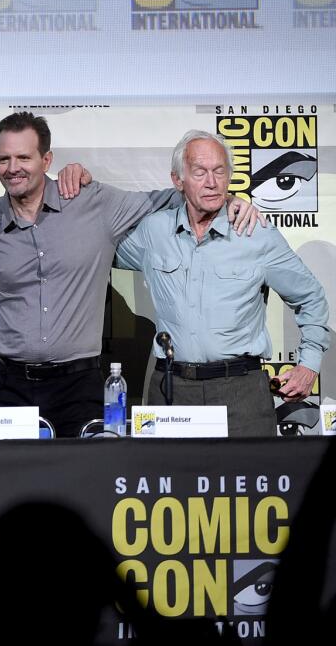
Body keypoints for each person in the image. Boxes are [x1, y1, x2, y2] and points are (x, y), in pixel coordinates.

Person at [0, 111, 260, 438]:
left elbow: (168, 199)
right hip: (6, 385)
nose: (13, 168)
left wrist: (231, 200)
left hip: (78, 387)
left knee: (85, 482)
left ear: (46, 159)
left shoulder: (93, 202)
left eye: (23, 157)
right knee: (5, 481)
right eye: (3, 159)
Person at [114, 130, 329, 436]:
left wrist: (308, 366)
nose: (212, 182)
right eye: (199, 172)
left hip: (241, 393)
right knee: (169, 483)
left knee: (252, 483)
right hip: (171, 390)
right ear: (178, 180)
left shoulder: (256, 233)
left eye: (220, 171)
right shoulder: (153, 233)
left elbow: (311, 297)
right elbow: (96, 250)